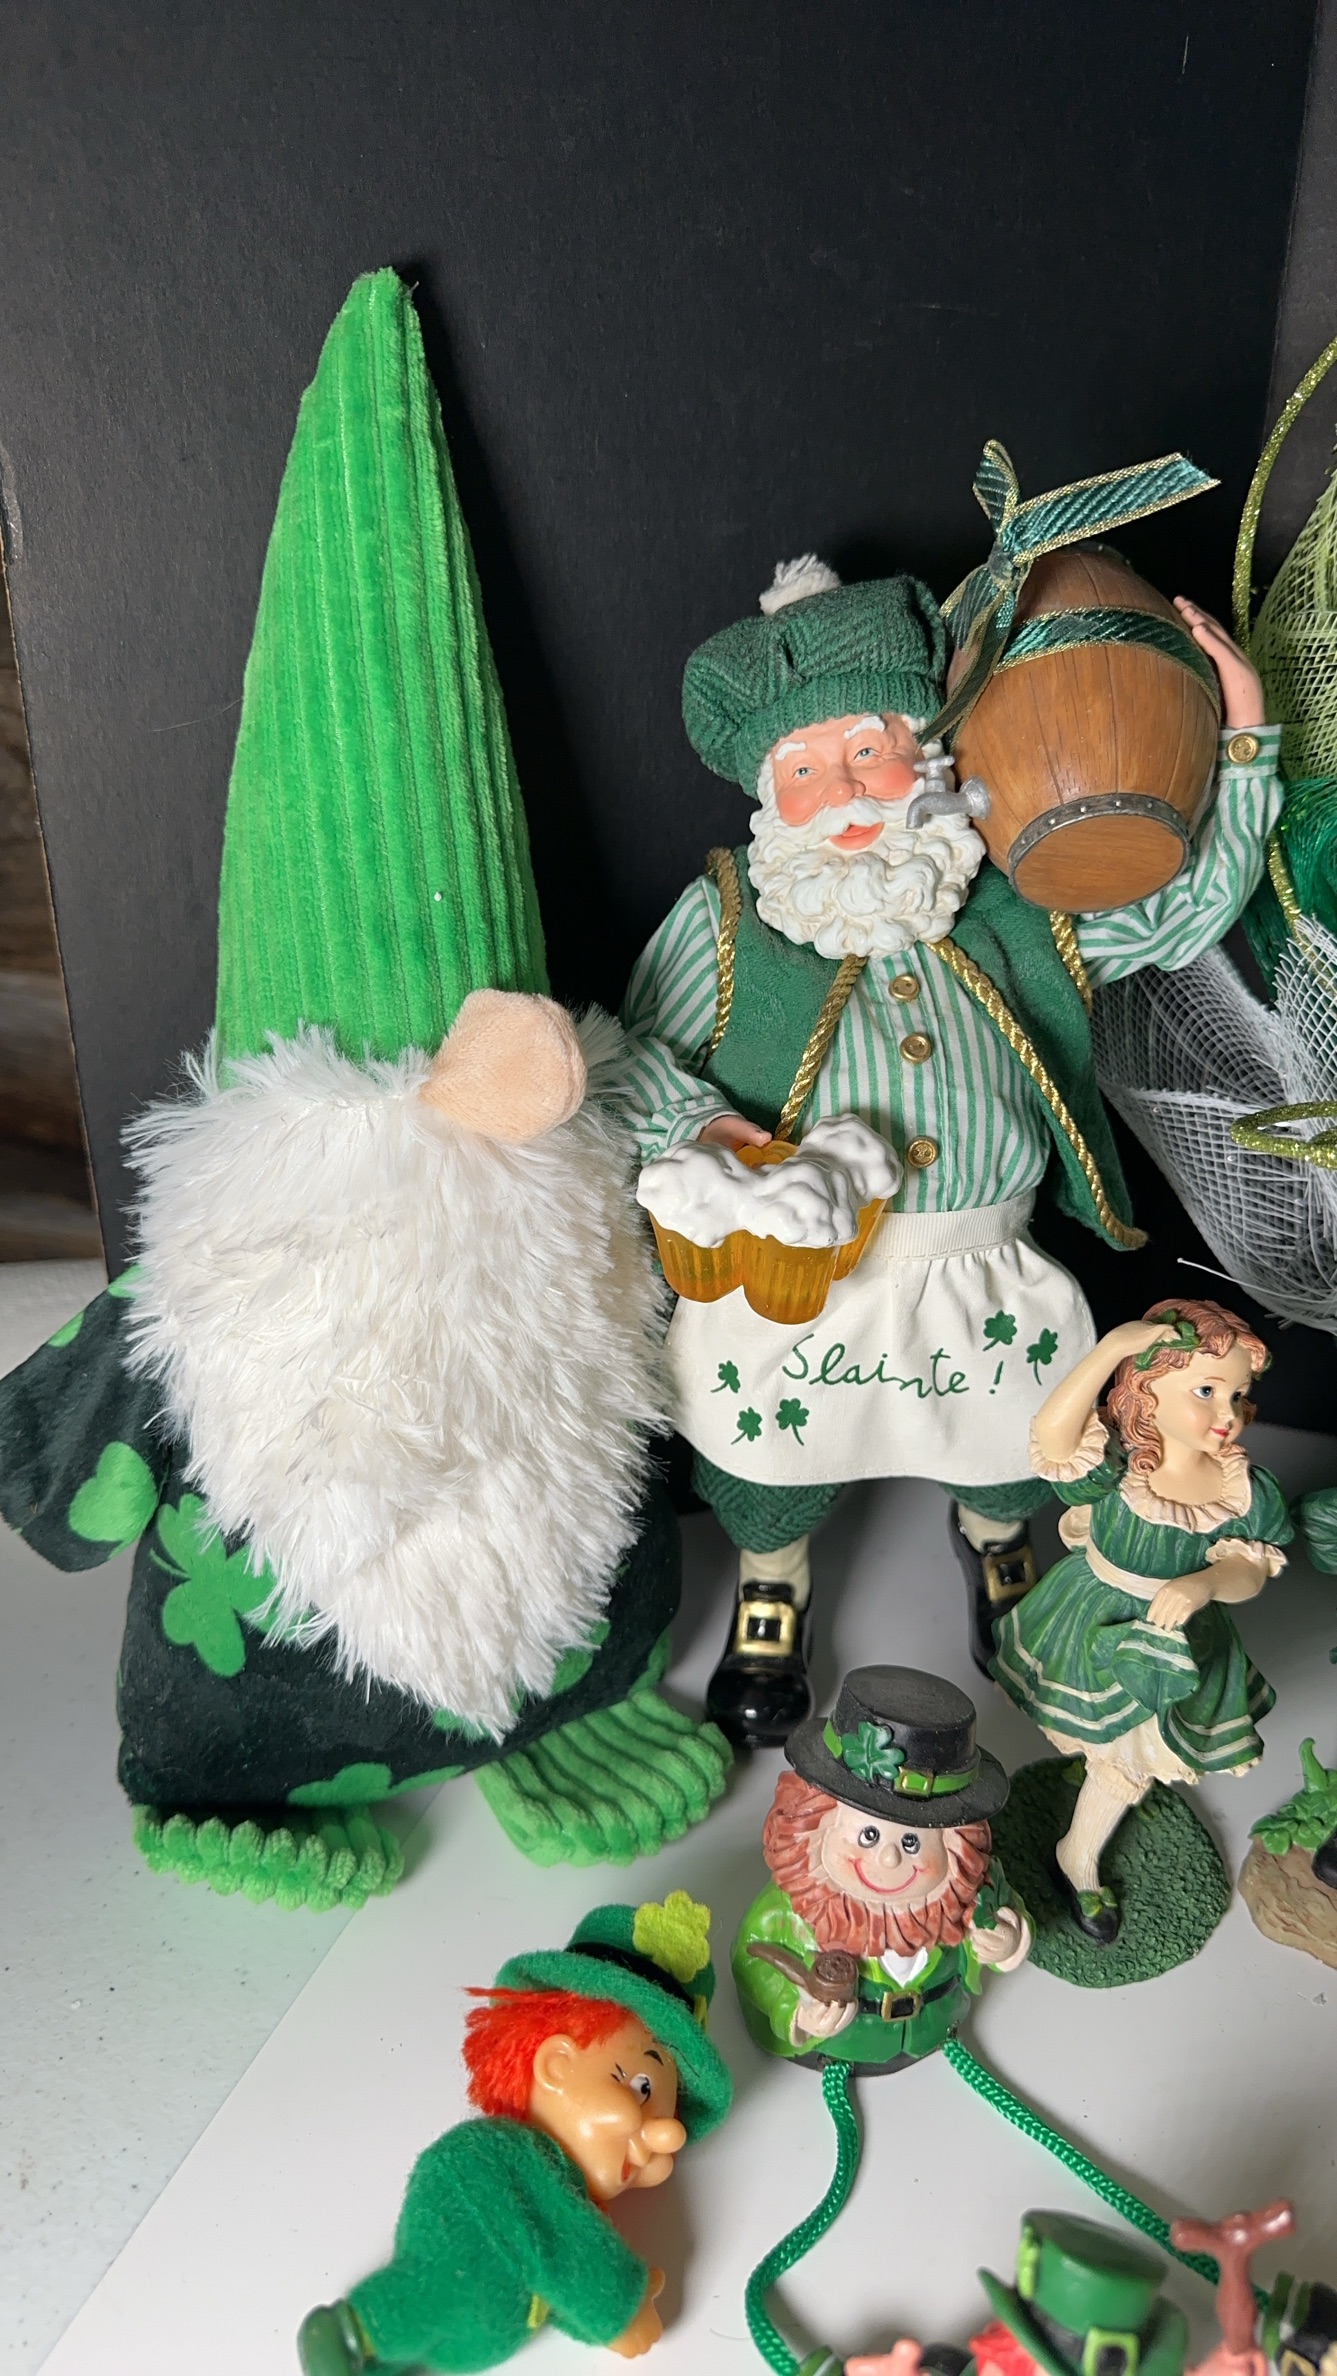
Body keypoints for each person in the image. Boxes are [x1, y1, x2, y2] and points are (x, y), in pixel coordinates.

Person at [612, 549, 1281, 1746]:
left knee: (1013, 1439)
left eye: (866, 750)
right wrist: (710, 1138)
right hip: (800, 1278)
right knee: (768, 1463)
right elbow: (623, 1064)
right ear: (768, 796)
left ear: (920, 752)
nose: (844, 791)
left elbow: (1177, 910)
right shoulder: (724, 918)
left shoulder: (1011, 903)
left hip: (982, 1265)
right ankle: (772, 1585)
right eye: (804, 770)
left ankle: (997, 1546)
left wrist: (1240, 741)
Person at [298, 1894, 732, 2372]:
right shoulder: (513, 2160)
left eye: (666, 2117)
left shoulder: (565, 2194)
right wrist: (618, 2307)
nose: (667, 2136)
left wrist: (599, 2317)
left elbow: (555, 2277)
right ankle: (349, 2333)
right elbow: (558, 2243)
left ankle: (381, 2360)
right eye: (641, 2088)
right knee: (429, 2296)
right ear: (557, 2065)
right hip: (461, 2235)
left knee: (436, 2332)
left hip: (473, 2323)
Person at [991, 1299, 1289, 1943]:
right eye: (1206, 1391)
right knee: (1109, 1747)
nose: (1227, 1414)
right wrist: (1111, 1349)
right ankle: (1078, 1850)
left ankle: (1078, 1852)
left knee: (1128, 1760)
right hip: (1093, 1620)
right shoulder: (1120, 1465)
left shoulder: (1241, 1487)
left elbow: (1251, 1567)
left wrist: (1203, 1583)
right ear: (1148, 1392)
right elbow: (1052, 1439)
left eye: (1237, 1395)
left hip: (1173, 1644)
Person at [732, 1665, 1030, 2072]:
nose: (889, 1859)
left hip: (935, 2031)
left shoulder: (966, 1895)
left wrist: (1007, 1941)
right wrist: (796, 2011)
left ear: (957, 1844)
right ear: (815, 1826)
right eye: (868, 1835)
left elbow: (1004, 1914)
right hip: (835, 2048)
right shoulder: (794, 1909)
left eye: (911, 1842)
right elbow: (752, 1958)